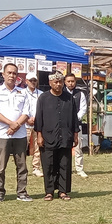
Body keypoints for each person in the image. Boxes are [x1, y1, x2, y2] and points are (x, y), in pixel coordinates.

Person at [0, 62, 32, 203]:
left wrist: (16, 126)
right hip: (2, 133)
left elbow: (26, 112)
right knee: (1, 166)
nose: (12, 76)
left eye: (14, 73)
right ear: (3, 74)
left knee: (22, 165)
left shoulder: (23, 92)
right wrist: (11, 124)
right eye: (9, 73)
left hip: (20, 133)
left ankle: (22, 192)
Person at [34, 71, 80, 201]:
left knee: (64, 164)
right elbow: (39, 118)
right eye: (55, 82)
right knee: (48, 164)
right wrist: (39, 135)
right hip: (48, 136)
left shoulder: (69, 98)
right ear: (50, 83)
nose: (58, 84)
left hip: (65, 136)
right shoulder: (43, 98)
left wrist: (75, 134)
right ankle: (49, 191)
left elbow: (74, 118)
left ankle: (63, 191)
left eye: (60, 82)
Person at [65, 72, 89, 179]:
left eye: (72, 81)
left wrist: (75, 119)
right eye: (68, 81)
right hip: (64, 125)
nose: (70, 83)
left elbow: (83, 108)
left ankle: (79, 169)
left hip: (76, 125)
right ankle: (66, 168)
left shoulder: (80, 94)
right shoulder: (61, 93)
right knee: (64, 147)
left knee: (78, 147)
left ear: (75, 82)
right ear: (65, 82)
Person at [24, 72, 43, 177]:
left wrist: (37, 118)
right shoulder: (21, 93)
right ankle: (22, 168)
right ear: (26, 81)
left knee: (38, 146)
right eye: (30, 80)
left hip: (37, 124)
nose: (33, 82)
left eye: (34, 80)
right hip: (25, 124)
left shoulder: (41, 94)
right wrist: (26, 119)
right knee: (23, 147)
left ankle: (36, 168)